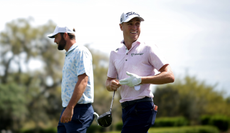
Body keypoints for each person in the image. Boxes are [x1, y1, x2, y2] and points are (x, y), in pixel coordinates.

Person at [106, 11, 175, 133]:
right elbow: (108, 81)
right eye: (130, 24)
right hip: (126, 108)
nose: (134, 27)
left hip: (143, 106)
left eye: (137, 24)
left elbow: (169, 75)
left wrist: (141, 80)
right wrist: (111, 84)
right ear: (121, 26)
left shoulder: (148, 48)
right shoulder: (115, 53)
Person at [48, 26, 94, 133]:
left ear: (65, 35)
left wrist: (70, 107)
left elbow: (83, 81)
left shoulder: (80, 52)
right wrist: (68, 108)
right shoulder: (70, 53)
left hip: (78, 110)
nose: (55, 40)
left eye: (56, 37)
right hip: (70, 108)